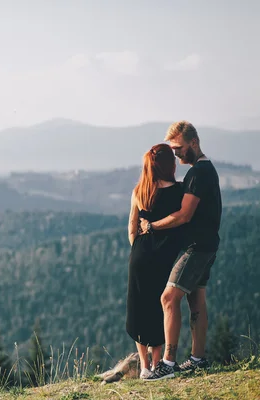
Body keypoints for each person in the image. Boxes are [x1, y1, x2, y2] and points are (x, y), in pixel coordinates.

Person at [140, 121, 222, 381]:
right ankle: (198, 359)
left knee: (168, 298)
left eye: (178, 148)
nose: (175, 153)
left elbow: (185, 215)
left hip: (197, 248)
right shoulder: (205, 170)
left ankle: (168, 364)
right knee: (195, 300)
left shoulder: (199, 173)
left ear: (193, 143)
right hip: (207, 244)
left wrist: (152, 226)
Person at [126, 143, 185, 379]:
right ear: (170, 164)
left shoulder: (140, 190)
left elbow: (132, 229)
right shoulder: (179, 192)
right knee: (158, 308)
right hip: (164, 257)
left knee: (139, 308)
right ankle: (158, 363)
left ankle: (143, 366)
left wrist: (140, 249)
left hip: (140, 255)